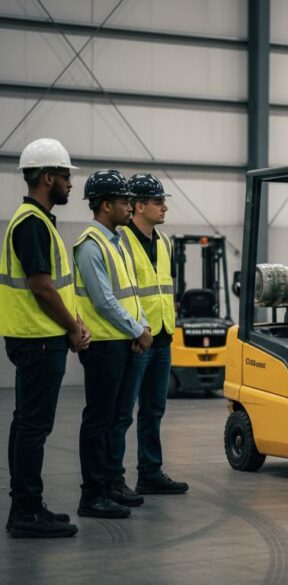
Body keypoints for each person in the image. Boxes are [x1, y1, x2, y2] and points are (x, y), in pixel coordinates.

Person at [1, 138, 88, 538]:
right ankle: (26, 511)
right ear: (48, 176)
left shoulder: (33, 221)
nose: (70, 184)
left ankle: (26, 506)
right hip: (39, 339)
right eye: (66, 176)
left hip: (34, 338)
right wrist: (72, 326)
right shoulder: (32, 223)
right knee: (34, 427)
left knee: (26, 424)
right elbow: (41, 287)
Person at [73, 169, 152, 519]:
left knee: (113, 418)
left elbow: (130, 294)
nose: (129, 206)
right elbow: (104, 301)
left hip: (121, 343)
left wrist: (139, 327)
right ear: (106, 205)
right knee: (99, 421)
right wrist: (137, 330)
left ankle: (108, 485)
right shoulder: (91, 244)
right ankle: (92, 495)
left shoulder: (116, 241)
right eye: (123, 201)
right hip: (104, 346)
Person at [111, 173, 188, 498]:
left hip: (163, 337)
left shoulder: (165, 241)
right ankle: (113, 477)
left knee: (153, 411)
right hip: (136, 340)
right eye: (158, 202)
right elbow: (119, 292)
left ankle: (150, 472)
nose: (164, 208)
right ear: (138, 206)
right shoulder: (121, 241)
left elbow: (165, 288)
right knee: (122, 413)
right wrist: (134, 330)